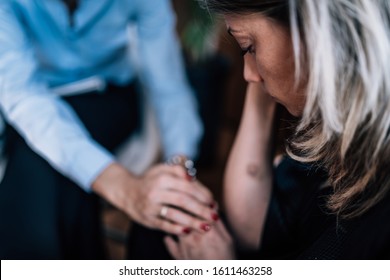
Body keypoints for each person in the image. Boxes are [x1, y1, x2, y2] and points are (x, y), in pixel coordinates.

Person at [164, 0, 390, 259]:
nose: (249, 76)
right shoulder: (326, 129)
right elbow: (253, 229)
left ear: (315, 30)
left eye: (249, 48)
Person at [0, 0, 219, 259]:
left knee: (38, 166)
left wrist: (179, 170)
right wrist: (125, 189)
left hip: (108, 96)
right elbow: (24, 97)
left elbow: (168, 86)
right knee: (43, 163)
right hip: (33, 103)